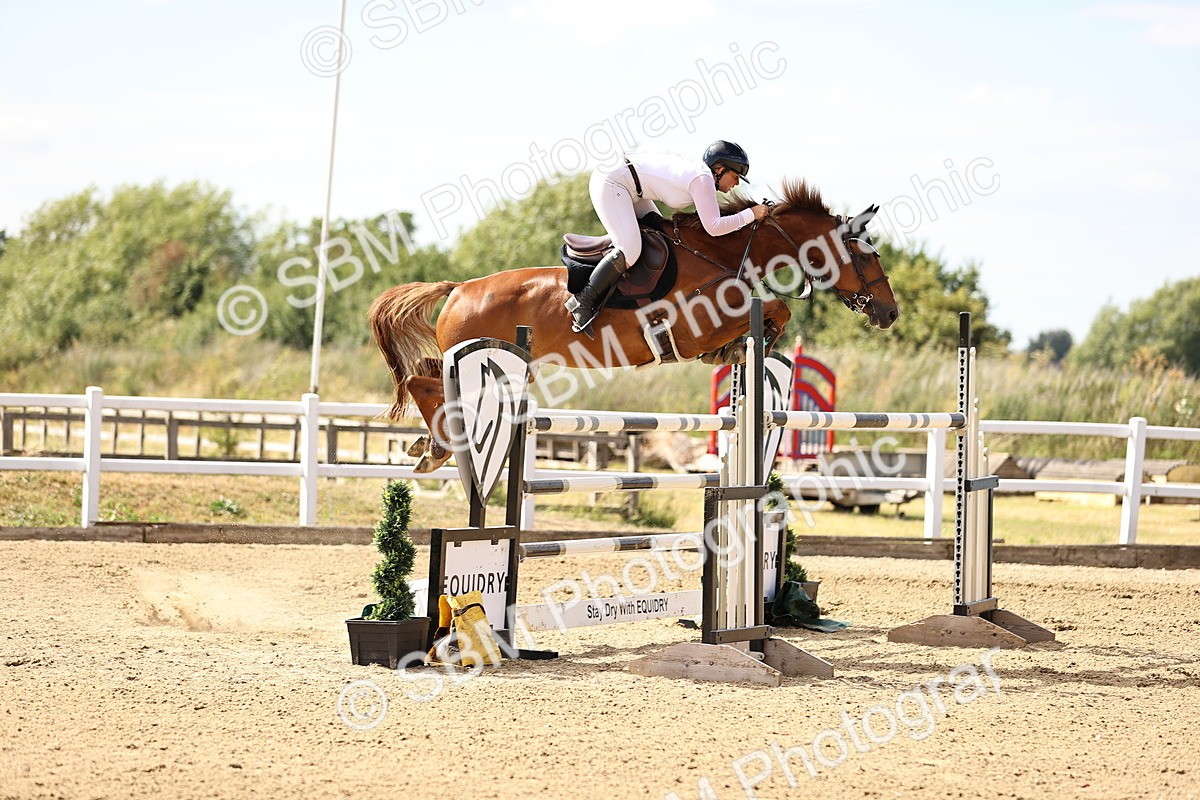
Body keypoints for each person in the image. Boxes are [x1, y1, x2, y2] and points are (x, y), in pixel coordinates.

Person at [565, 140, 771, 336]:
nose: (736, 183)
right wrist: (752, 214)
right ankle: (582, 302)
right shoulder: (703, 179)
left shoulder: (704, 178)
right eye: (735, 176)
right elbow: (714, 227)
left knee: (661, 234)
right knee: (630, 248)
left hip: (632, 187)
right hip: (613, 181)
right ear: (719, 169)